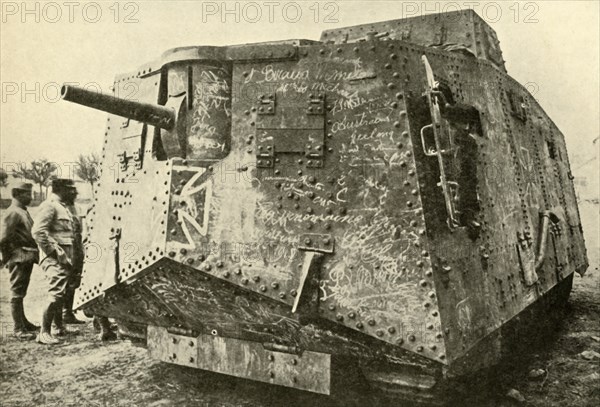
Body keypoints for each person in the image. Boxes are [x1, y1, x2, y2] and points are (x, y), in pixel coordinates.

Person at [32, 178, 84, 345]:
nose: (75, 193)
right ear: (61, 189)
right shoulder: (50, 206)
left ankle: (58, 327)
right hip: (55, 259)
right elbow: (38, 232)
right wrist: (56, 253)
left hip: (67, 258)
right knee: (55, 294)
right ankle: (44, 333)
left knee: (62, 293)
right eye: (71, 190)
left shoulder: (64, 207)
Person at [0, 182, 40, 340]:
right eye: (27, 194)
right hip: (19, 255)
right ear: (17, 194)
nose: (30, 197)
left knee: (22, 291)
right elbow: (3, 238)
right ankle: (18, 328)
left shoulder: (21, 210)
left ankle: (23, 322)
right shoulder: (13, 212)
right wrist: (5, 258)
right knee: (17, 292)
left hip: (26, 255)